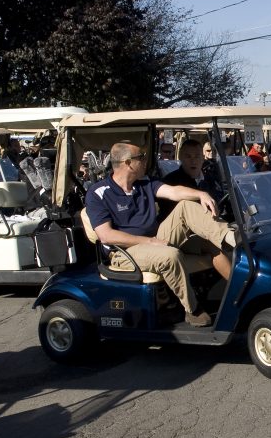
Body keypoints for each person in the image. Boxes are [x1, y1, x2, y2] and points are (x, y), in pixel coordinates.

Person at [85, 141, 233, 327]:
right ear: (128, 163)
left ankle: (230, 239)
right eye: (141, 158)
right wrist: (148, 242)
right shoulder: (98, 193)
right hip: (125, 251)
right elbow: (106, 236)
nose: (146, 161)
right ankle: (192, 309)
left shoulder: (145, 183)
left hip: (155, 240)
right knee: (171, 255)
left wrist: (200, 194)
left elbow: (174, 192)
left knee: (187, 207)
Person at [159, 139, 221, 220]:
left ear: (203, 158)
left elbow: (220, 200)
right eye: (188, 156)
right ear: (180, 158)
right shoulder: (170, 182)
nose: (193, 161)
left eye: (197, 156)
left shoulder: (211, 179)